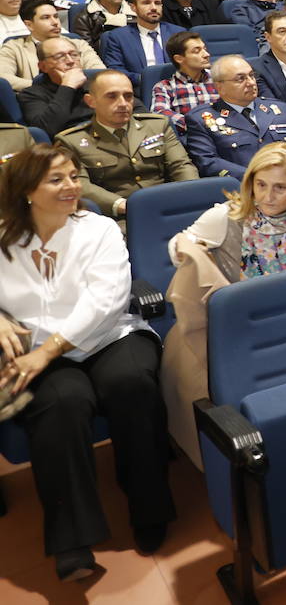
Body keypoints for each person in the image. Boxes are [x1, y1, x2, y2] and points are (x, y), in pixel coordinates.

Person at [0, 143, 175, 581]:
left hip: (110, 335)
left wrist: (49, 349)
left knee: (131, 384)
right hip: (37, 348)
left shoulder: (98, 229)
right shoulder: (3, 235)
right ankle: (71, 540)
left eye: (74, 177)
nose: (72, 186)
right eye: (57, 179)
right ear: (26, 190)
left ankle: (148, 506)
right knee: (62, 404)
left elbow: (106, 301)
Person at [171, 141, 286, 283]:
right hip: (243, 314)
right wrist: (194, 256)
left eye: (280, 187)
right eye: (261, 185)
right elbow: (177, 246)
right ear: (251, 182)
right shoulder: (227, 216)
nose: (268, 197)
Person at [57, 71, 196, 219]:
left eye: (128, 96)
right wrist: (123, 206)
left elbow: (181, 166)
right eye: (112, 96)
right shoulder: (71, 141)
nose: (123, 103)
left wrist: (188, 196)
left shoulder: (157, 125)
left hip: (168, 207)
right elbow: (81, 185)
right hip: (117, 218)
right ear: (91, 101)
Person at [183, 55, 286, 179]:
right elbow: (208, 163)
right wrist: (255, 177)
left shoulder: (280, 109)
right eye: (240, 79)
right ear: (219, 87)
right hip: (240, 188)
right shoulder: (201, 119)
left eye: (252, 75)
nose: (251, 82)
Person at [1, 0, 105, 93]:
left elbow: (100, 72)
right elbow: (4, 78)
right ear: (29, 25)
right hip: (38, 100)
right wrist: (49, 86)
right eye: (46, 18)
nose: (55, 22)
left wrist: (74, 83)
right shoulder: (13, 47)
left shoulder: (78, 43)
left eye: (56, 16)